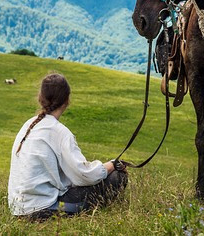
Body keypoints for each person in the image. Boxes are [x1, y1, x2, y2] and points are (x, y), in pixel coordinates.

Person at [8, 73, 127, 220]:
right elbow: (84, 175)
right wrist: (112, 165)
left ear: (41, 98)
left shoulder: (28, 125)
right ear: (67, 100)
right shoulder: (60, 132)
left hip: (18, 209)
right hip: (44, 210)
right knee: (117, 177)